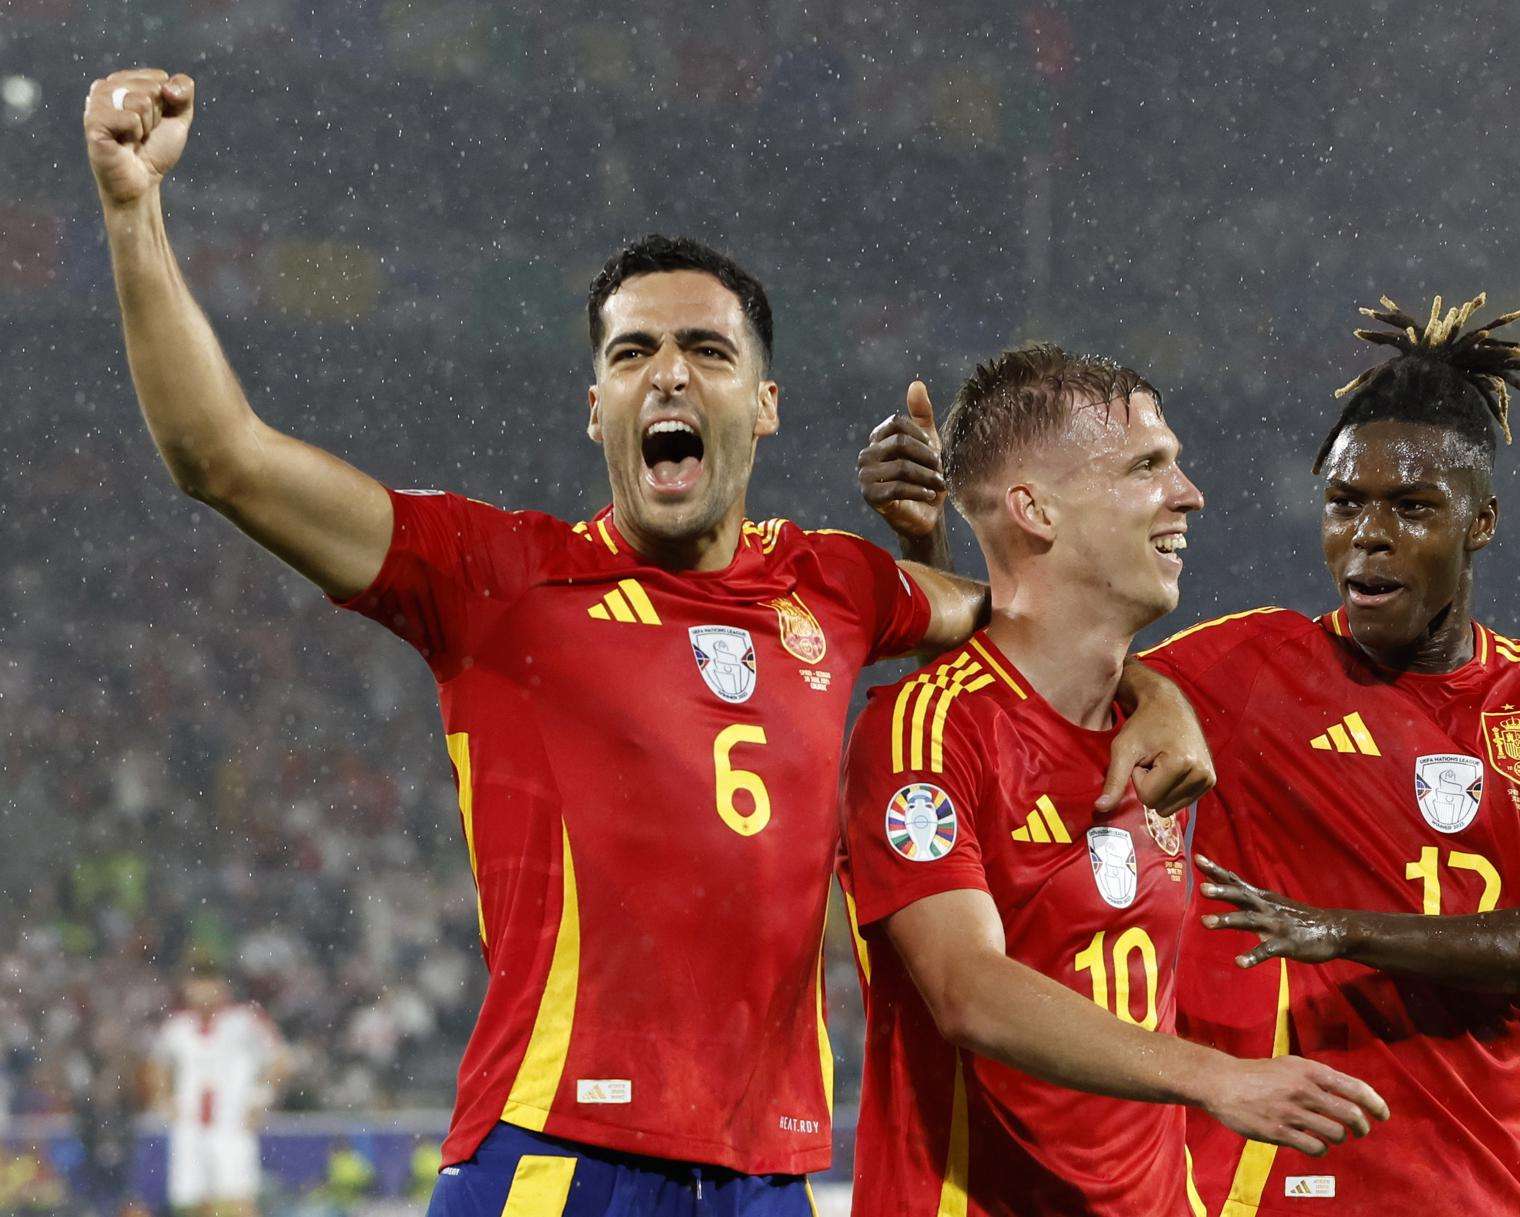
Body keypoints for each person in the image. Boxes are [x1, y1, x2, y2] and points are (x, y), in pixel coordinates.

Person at [83, 69, 1210, 1217]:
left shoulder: (836, 583)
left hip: (771, 1174)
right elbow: (219, 454)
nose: (668, 372)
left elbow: (1040, 636)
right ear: (596, 407)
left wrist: (1160, 691)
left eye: (707, 352)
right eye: (633, 354)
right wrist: (135, 211)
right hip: (557, 1155)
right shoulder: (499, 580)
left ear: (765, 405)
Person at [860, 294, 1520, 1215]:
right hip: (1281, 1187)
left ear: (1481, 522)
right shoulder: (1248, 668)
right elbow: (1027, 669)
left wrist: (1337, 926)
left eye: (1414, 507)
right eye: (1345, 504)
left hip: (1500, 1188)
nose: (1370, 534)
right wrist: (1154, 686)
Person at [839, 345, 1386, 1216]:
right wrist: (1217, 1078)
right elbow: (968, 989)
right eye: (1147, 466)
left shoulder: (1159, 722)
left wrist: (1156, 691)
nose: (1190, 494)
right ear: (1034, 508)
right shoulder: (926, 728)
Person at [148, 972, 288, 1217]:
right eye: (196, 984)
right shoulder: (177, 1027)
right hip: (190, 1124)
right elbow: (156, 1063)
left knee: (237, 1198)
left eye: (208, 983)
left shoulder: (244, 1021)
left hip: (231, 1122)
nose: (202, 992)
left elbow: (281, 1059)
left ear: (222, 986)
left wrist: (260, 1099)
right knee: (189, 1201)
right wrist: (162, 1099)